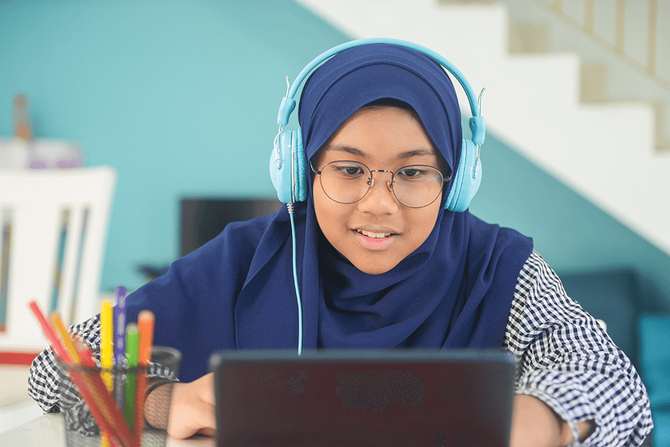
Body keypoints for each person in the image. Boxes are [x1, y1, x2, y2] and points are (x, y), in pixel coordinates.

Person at [29, 40, 652, 447]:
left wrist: (538, 422)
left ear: (455, 180)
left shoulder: (500, 266)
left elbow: (615, 383)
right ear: (301, 173)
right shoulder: (243, 257)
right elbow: (52, 369)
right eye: (349, 169)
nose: (379, 204)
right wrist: (168, 402)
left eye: (412, 172)